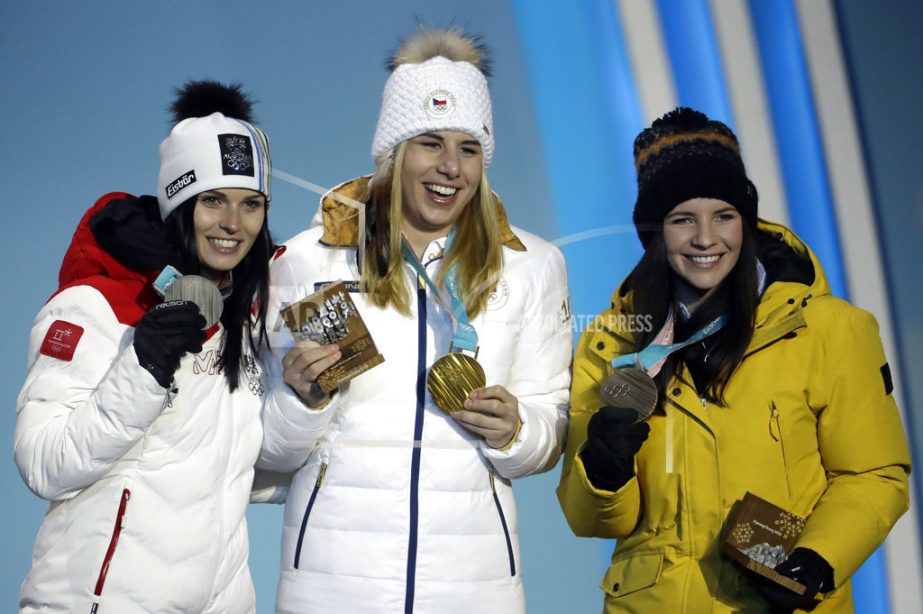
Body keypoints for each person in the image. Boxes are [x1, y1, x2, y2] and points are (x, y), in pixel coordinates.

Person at [258, 28, 572, 614]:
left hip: (473, 589)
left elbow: (549, 431)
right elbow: (262, 452)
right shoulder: (306, 260)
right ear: (395, 153)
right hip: (332, 586)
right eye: (430, 142)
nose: (450, 167)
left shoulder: (535, 268)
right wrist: (302, 401)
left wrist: (516, 431)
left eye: (469, 148)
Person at [557, 107, 911, 612]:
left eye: (724, 215)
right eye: (683, 220)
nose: (707, 239)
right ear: (656, 233)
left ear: (746, 220)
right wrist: (603, 465)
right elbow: (589, 520)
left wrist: (816, 559)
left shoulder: (830, 329)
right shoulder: (611, 343)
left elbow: (876, 474)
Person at [14, 81, 274, 613]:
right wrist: (144, 365)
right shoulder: (96, 303)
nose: (233, 223)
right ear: (179, 202)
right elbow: (43, 461)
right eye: (213, 200)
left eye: (251, 204)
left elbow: (235, 469)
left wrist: (315, 401)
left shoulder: (238, 324)